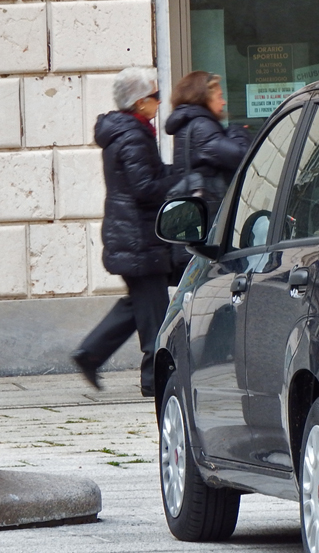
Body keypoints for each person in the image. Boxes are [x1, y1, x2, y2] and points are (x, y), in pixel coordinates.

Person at [72, 67, 180, 395]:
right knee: (154, 311)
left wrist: (175, 172)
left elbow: (148, 176)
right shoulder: (132, 134)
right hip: (137, 238)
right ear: (139, 101)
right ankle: (153, 380)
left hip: (133, 235)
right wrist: (181, 180)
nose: (160, 102)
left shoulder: (130, 131)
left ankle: (90, 354)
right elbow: (145, 187)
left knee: (141, 304)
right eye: (155, 96)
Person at [164, 71, 251, 275]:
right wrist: (238, 132)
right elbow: (241, 155)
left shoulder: (189, 125)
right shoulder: (202, 126)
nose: (224, 102)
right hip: (209, 226)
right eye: (219, 96)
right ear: (203, 97)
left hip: (196, 224)